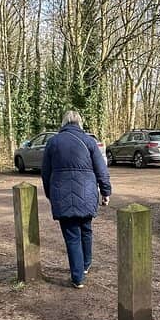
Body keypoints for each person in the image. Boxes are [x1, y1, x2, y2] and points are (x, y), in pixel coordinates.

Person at [41, 111, 112, 288]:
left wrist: (51, 194)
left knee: (72, 235)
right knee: (86, 229)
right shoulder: (90, 142)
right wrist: (106, 191)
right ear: (80, 123)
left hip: (62, 194)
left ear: (63, 123)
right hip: (87, 193)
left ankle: (78, 277)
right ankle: (86, 264)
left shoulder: (53, 142)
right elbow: (101, 170)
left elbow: (45, 173)